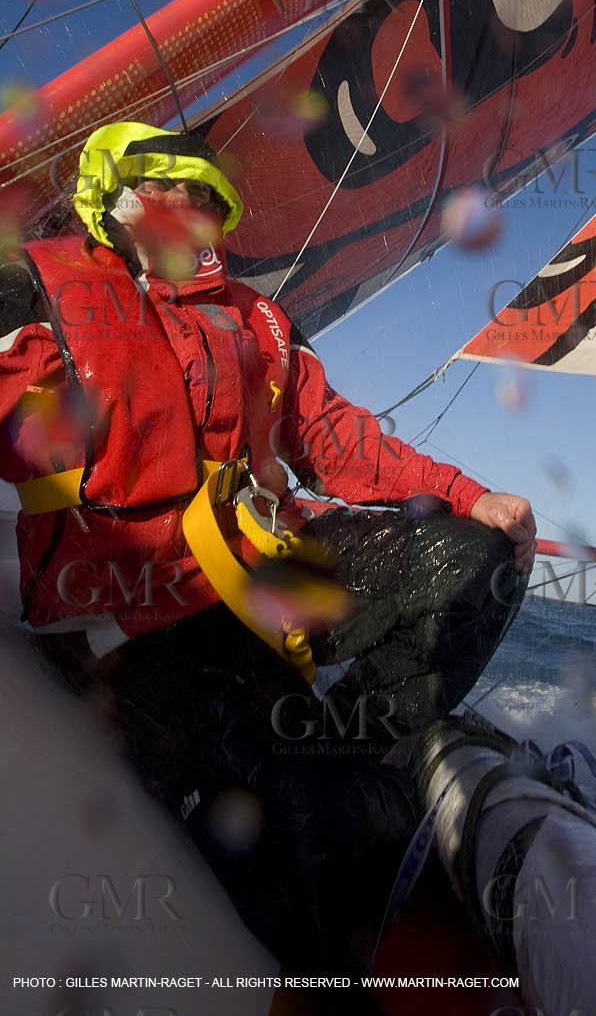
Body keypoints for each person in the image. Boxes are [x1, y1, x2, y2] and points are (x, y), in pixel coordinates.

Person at [0, 121, 536, 979]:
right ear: (117, 197)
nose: (193, 208)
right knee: (306, 831)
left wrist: (471, 495)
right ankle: (329, 810)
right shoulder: (33, 290)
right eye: (171, 188)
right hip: (134, 622)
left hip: (266, 571)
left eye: (207, 195)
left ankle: (364, 756)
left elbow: (332, 437)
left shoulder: (259, 320)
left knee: (474, 563)